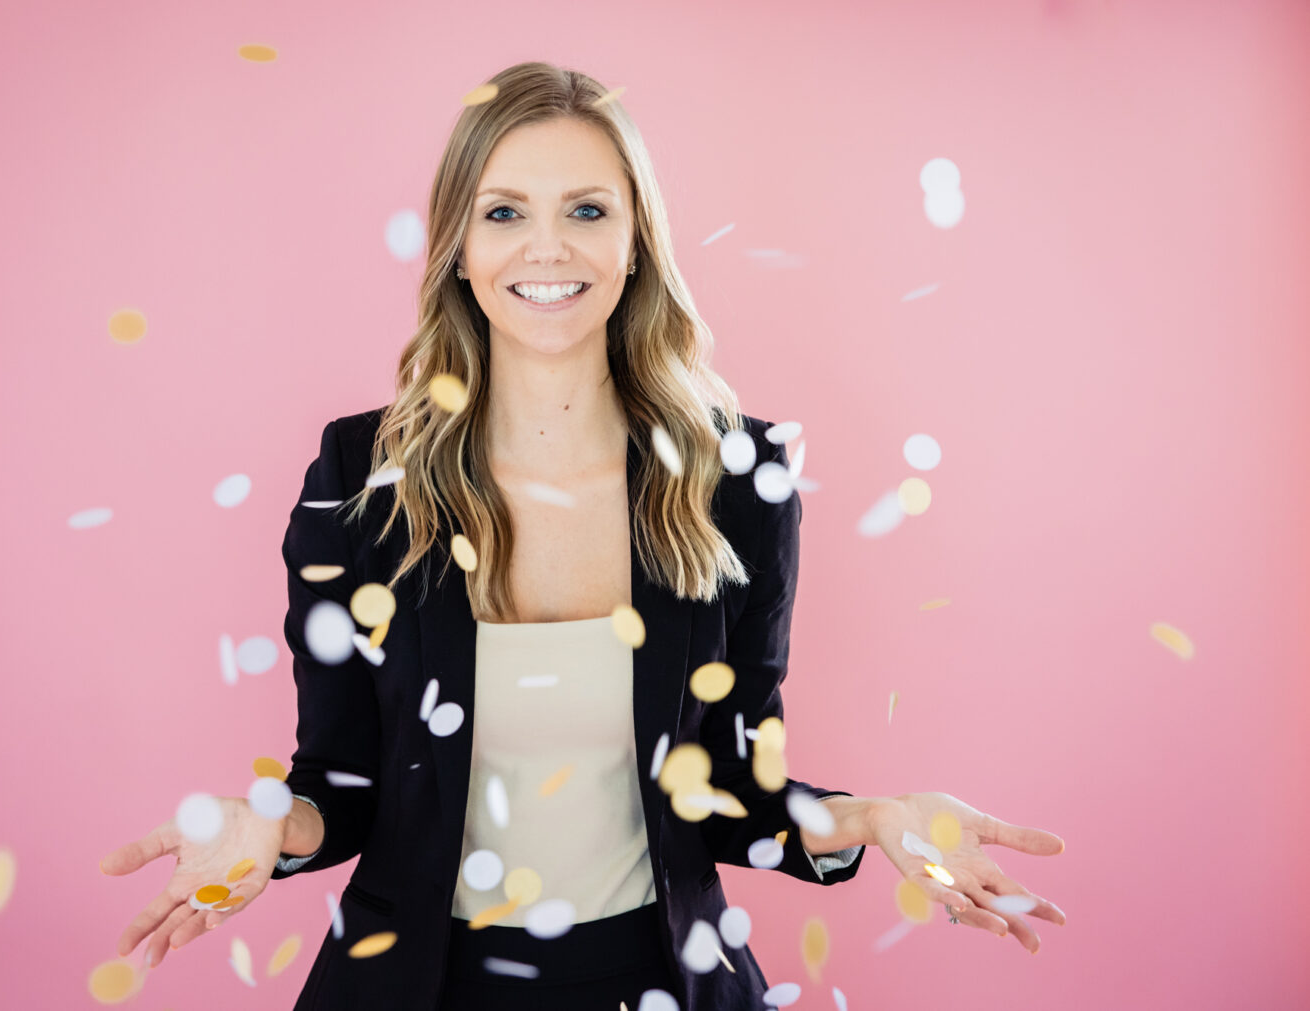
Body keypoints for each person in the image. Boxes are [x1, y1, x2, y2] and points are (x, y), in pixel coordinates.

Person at [100, 61, 1068, 1010]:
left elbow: (730, 786)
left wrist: (876, 818)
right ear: (458, 244)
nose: (546, 249)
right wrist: (267, 824)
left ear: (638, 239)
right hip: (415, 986)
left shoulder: (738, 482)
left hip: (658, 982)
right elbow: (342, 786)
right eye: (505, 211)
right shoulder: (360, 478)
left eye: (588, 210)